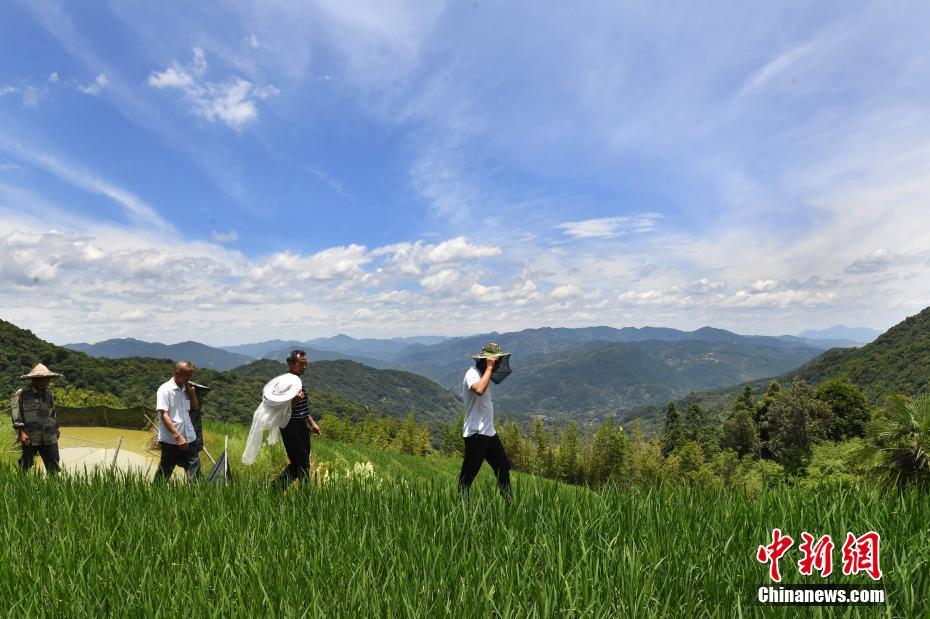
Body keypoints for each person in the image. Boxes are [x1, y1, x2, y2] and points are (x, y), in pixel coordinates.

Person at [458, 343, 512, 499]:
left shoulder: (484, 376)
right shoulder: (472, 373)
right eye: (496, 361)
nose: (498, 364)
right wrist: (489, 368)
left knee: (503, 467)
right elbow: (479, 390)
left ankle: (509, 503)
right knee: (468, 476)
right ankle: (462, 508)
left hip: (489, 432)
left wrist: (488, 370)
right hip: (476, 433)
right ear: (486, 361)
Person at [273, 349, 322, 489]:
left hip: (300, 425)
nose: (305, 366)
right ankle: (305, 497)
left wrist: (312, 424)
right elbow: (280, 408)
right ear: (291, 364)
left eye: (306, 363)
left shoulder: (297, 380)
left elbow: (303, 406)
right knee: (302, 464)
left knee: (300, 462)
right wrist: (294, 401)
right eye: (301, 364)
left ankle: (274, 489)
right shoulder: (286, 383)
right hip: (290, 426)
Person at [10, 363, 63, 474]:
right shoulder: (22, 394)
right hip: (30, 436)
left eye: (48, 379)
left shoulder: (49, 393)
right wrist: (21, 433)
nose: (46, 381)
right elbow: (16, 414)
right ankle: (21, 482)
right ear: (35, 379)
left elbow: (52, 413)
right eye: (43, 379)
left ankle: (52, 486)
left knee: (54, 463)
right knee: (26, 463)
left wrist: (56, 428)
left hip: (49, 435)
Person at [154, 361, 201, 482]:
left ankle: (199, 497)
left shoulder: (188, 388)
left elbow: (195, 408)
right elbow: (163, 414)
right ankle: (154, 493)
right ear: (176, 373)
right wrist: (178, 437)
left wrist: (193, 394)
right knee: (165, 471)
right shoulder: (165, 390)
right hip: (171, 441)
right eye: (186, 375)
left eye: (190, 375)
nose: (188, 378)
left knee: (195, 472)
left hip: (190, 438)